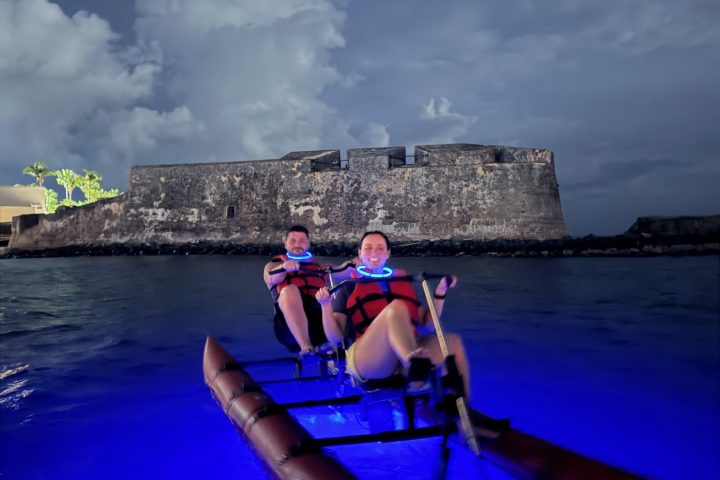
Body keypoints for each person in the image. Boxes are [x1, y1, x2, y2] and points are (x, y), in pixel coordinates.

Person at [315, 231, 472, 398]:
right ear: (360, 253)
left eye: (380, 248)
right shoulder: (349, 287)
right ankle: (413, 366)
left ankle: (465, 413)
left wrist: (440, 293)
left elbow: (427, 324)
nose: (374, 253)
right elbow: (335, 338)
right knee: (395, 307)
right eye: (368, 248)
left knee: (454, 342)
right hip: (369, 359)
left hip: (408, 353)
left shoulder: (401, 282)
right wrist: (325, 306)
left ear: (388, 253)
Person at [263, 225, 354, 354]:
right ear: (285, 244)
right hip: (288, 328)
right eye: (293, 241)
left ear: (308, 244)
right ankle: (306, 347)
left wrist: (357, 263)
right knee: (290, 290)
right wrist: (284, 267)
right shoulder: (274, 265)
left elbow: (343, 270)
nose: (297, 245)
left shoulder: (320, 267)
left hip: (320, 324)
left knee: (345, 289)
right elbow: (270, 277)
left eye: (302, 241)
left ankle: (347, 347)